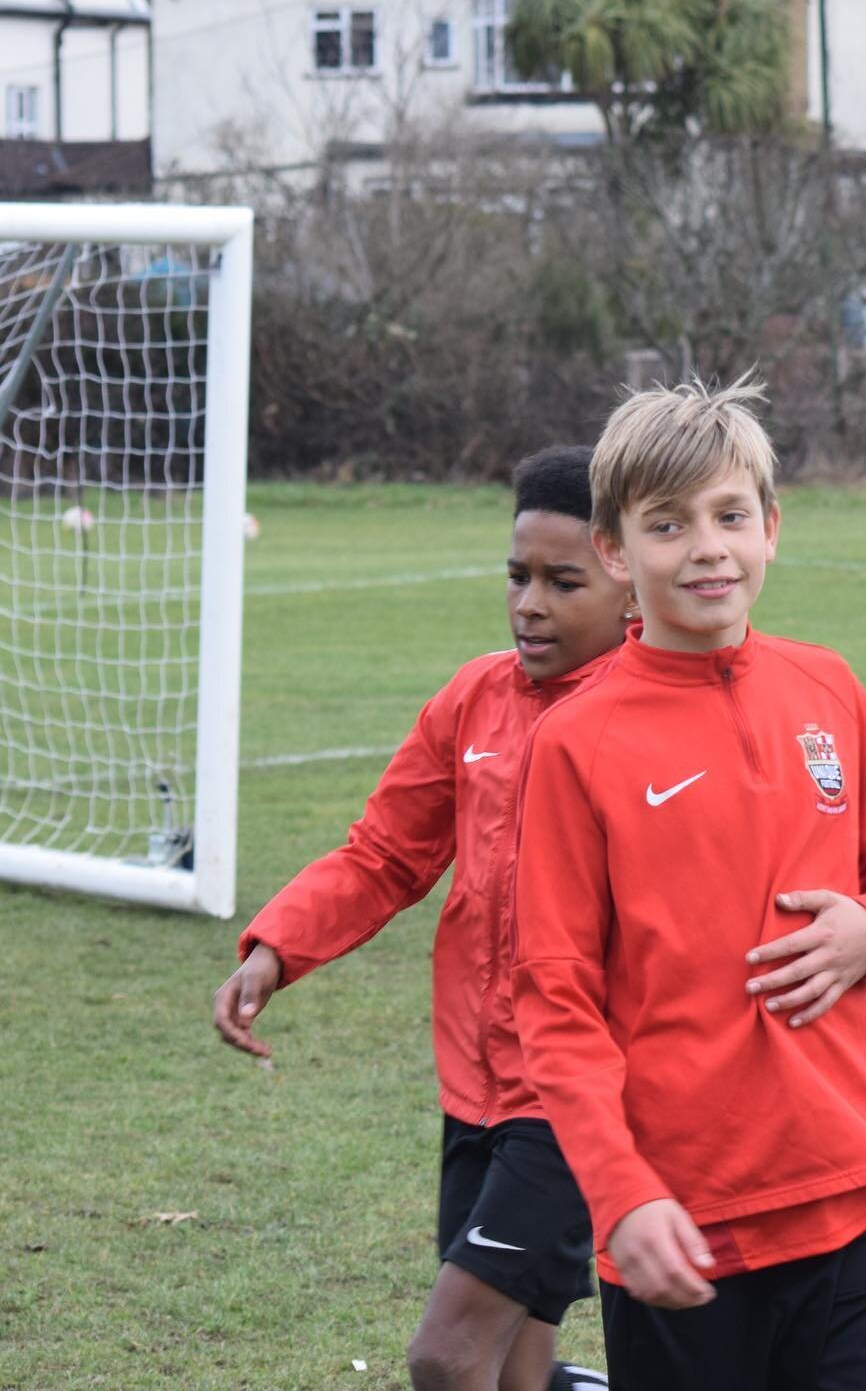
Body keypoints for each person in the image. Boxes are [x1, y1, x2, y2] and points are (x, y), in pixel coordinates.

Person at [511, 379, 866, 1389]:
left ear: (771, 528)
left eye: (730, 515)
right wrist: (623, 1194)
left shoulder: (825, 688)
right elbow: (554, 996)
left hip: (860, 1195)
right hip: (683, 1233)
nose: (708, 547)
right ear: (617, 553)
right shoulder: (577, 743)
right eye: (668, 524)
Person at [212, 447, 627, 1391]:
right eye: (518, 576)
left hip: (577, 1095)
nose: (530, 603)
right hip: (473, 1088)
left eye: (565, 582)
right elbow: (386, 853)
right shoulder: (473, 699)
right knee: (517, 1376)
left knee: (445, 1358)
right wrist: (278, 947)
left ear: (631, 585)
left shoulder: (646, 716)